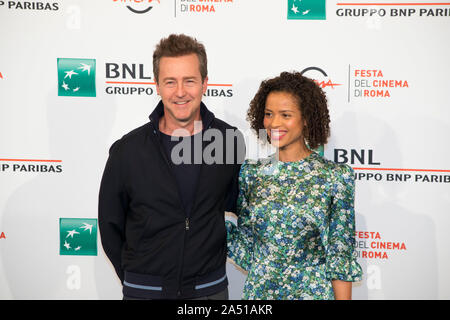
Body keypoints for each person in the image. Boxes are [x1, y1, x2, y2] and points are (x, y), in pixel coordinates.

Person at [99, 34, 244, 300]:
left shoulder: (228, 140)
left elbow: (241, 205)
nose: (180, 92)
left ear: (205, 83)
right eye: (170, 82)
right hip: (144, 291)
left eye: (189, 80)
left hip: (209, 291)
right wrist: (139, 278)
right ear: (157, 85)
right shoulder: (127, 150)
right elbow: (110, 226)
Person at [226, 71, 363, 300]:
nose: (274, 123)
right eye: (268, 114)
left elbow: (340, 257)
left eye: (285, 115)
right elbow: (246, 246)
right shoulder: (251, 174)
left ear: (306, 118)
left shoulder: (335, 177)